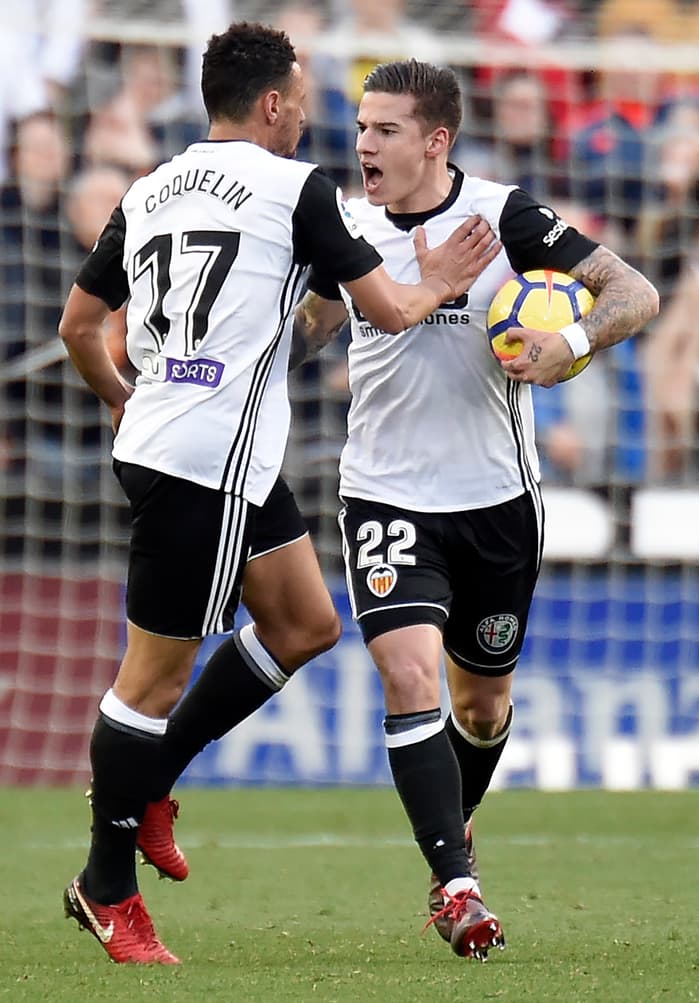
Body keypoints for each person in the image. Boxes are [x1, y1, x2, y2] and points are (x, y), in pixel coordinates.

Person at [57, 22, 498, 965]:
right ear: (271, 105)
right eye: (301, 98)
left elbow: (81, 323)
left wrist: (124, 398)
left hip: (209, 450)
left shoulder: (151, 184)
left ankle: (157, 783)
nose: (310, 113)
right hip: (201, 464)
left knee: (304, 622)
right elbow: (384, 311)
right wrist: (441, 278)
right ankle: (106, 884)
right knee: (152, 679)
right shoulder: (296, 189)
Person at [290, 60, 656, 958]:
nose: (365, 143)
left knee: (482, 705)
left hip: (496, 500)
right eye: (363, 127)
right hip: (386, 491)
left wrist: (565, 342)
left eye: (385, 130)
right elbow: (312, 326)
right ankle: (457, 884)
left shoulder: (507, 218)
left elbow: (633, 293)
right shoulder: (345, 221)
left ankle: (451, 833)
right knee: (407, 677)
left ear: (435, 141)